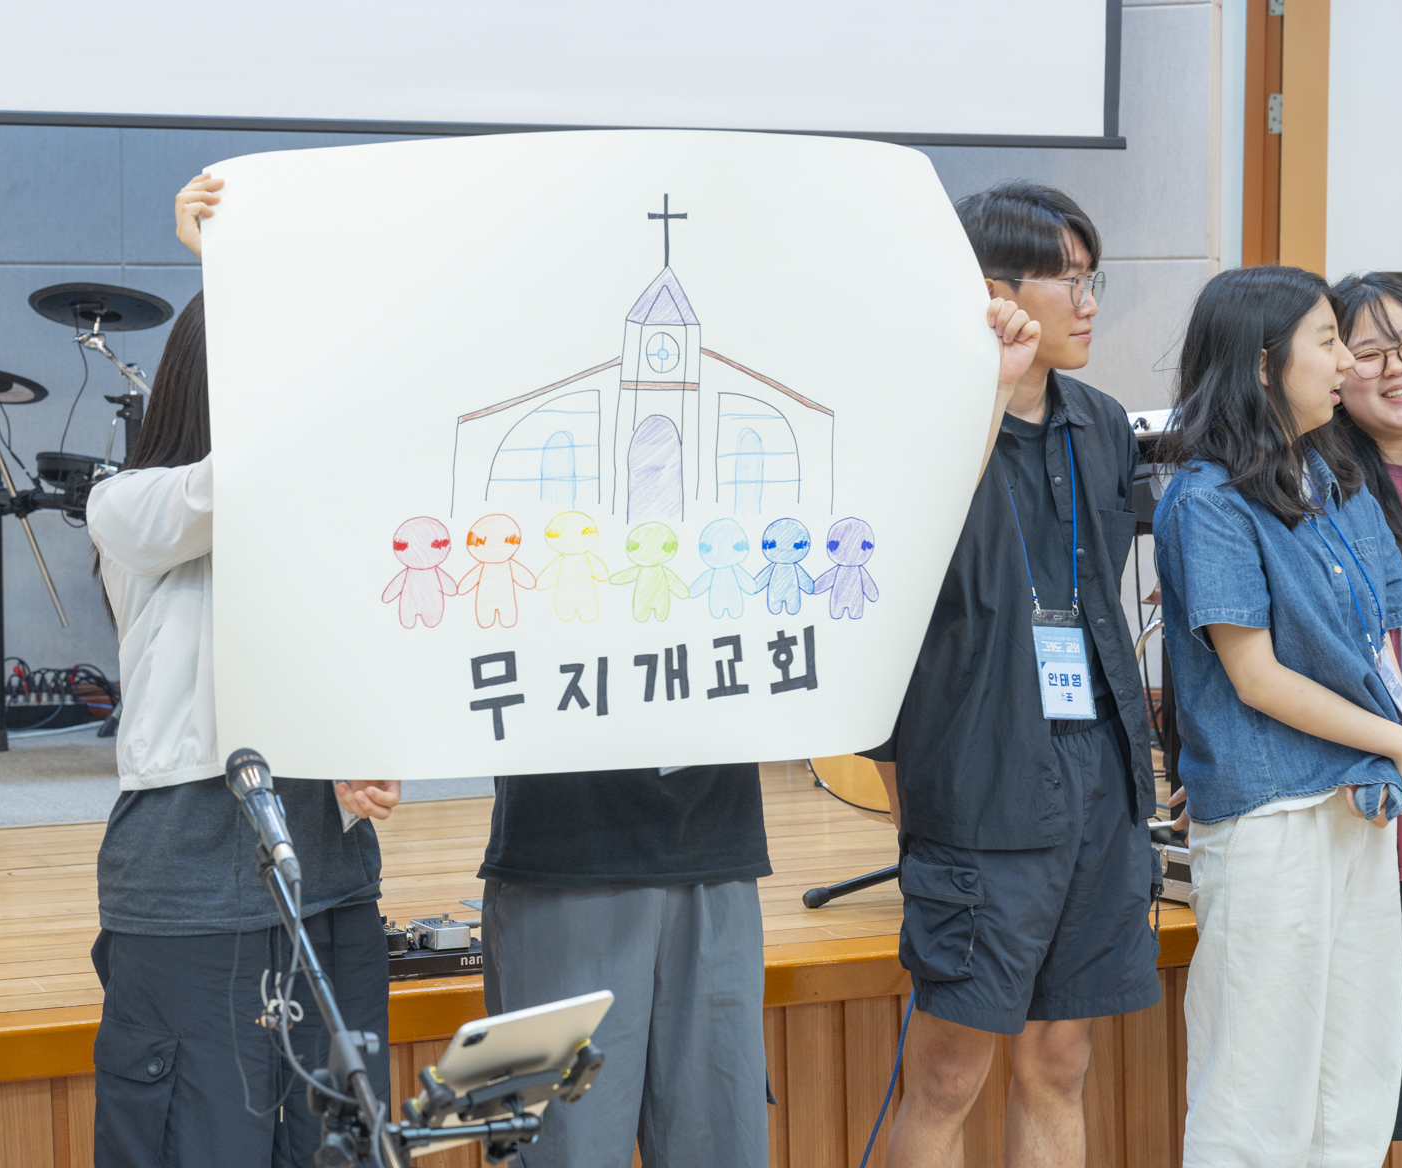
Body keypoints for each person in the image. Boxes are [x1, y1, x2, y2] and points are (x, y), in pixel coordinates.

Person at [478, 192, 1046, 1168]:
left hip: (717, 850)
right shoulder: (538, 458)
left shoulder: (748, 466)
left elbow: (900, 522)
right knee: (553, 1145)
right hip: (556, 859)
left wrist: (987, 394)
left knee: (723, 1139)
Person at [86, 172, 401, 1168]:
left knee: (340, 1144)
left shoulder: (332, 518)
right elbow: (256, 469)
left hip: (328, 875)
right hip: (185, 877)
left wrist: (366, 749)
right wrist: (233, 272)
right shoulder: (129, 507)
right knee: (196, 1143)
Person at [865, 181, 1160, 1168]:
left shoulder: (1103, 424)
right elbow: (898, 583)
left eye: (1093, 278)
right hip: (980, 777)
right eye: (1068, 281)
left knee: (1061, 1059)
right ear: (996, 291)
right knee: (949, 1070)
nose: (1089, 302)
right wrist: (989, 387)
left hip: (1096, 776)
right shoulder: (924, 421)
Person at [1154, 265, 1402, 1166]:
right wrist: (1400, 742)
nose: (1347, 363)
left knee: (1354, 1081)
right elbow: (1257, 678)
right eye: (1329, 342)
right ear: (1262, 362)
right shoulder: (1205, 499)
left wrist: (1394, 748)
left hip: (1355, 802)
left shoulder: (1335, 477)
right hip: (1272, 813)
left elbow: (1375, 647)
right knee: (1257, 1090)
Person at [1328, 270, 1402, 1162]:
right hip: (1380, 802)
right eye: (1369, 352)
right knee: (1384, 1075)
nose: (1399, 366)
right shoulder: (1319, 488)